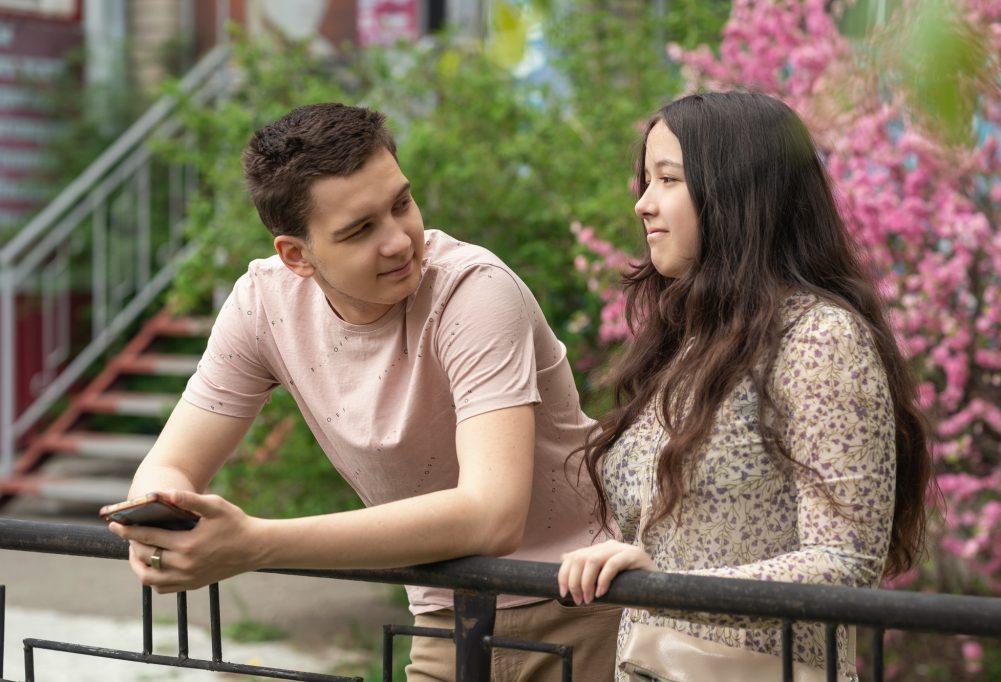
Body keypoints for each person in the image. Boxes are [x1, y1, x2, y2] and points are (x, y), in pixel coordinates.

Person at [108, 102, 622, 681]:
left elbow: (492, 516)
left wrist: (255, 544)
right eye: (359, 229)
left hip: (583, 606)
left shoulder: (473, 292)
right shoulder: (262, 305)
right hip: (444, 613)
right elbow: (170, 464)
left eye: (401, 204)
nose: (400, 241)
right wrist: (162, 520)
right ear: (296, 255)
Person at [557, 92, 932, 681]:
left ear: (736, 194)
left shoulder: (820, 338)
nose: (643, 205)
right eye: (645, 181)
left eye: (668, 180)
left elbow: (845, 560)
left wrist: (667, 587)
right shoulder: (689, 340)